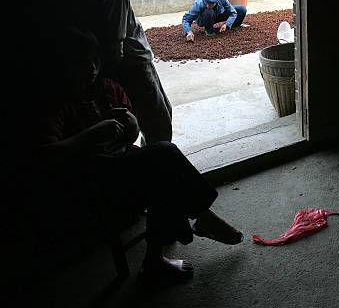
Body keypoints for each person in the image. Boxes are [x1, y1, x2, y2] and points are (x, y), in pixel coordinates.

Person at [38, 27, 243, 278]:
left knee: (164, 173)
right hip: (89, 179)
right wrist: (90, 135)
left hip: (123, 165)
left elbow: (132, 136)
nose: (90, 68)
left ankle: (158, 256)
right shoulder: (56, 103)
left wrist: (131, 123)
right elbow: (45, 156)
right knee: (164, 158)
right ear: (64, 67)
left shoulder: (109, 89)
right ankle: (199, 218)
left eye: (93, 61)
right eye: (81, 64)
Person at [89, 0, 172, 145]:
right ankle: (158, 167)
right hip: (135, 68)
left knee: (159, 115)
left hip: (139, 65)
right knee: (158, 124)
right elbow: (115, 46)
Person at [182, 0, 248, 41]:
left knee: (242, 10)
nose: (208, 5)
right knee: (208, 11)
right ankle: (209, 31)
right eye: (206, 3)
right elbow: (186, 19)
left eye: (211, 4)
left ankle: (233, 26)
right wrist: (189, 31)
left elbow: (233, 12)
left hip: (218, 14)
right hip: (204, 19)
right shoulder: (198, 3)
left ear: (217, 0)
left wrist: (227, 24)